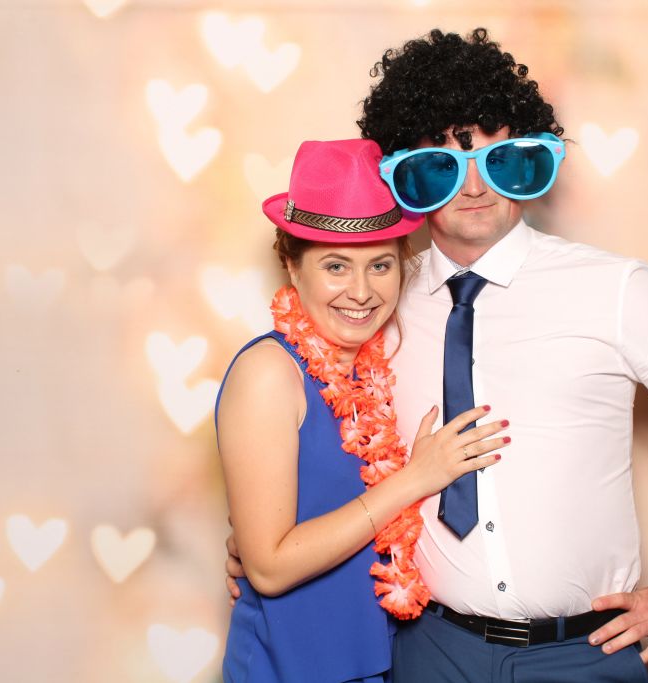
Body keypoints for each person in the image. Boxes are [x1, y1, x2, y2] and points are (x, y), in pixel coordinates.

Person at [228, 28, 648, 682]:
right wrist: (264, 549)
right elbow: (325, 444)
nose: (474, 186)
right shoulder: (376, 301)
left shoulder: (615, 289)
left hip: (582, 653)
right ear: (407, 177)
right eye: (443, 164)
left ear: (529, 160)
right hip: (424, 650)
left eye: (500, 159)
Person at [214, 137, 509, 683]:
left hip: (380, 659)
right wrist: (415, 478)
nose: (361, 291)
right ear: (291, 265)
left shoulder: (378, 366)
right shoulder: (269, 374)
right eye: (336, 266)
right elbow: (270, 568)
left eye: (380, 265)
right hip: (293, 667)